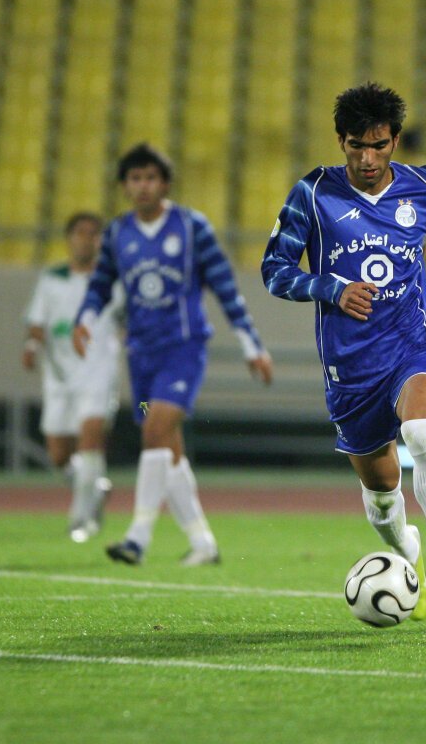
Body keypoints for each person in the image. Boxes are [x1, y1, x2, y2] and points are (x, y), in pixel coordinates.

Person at [262, 82, 426, 619]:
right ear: (341, 140)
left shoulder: (422, 187)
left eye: (378, 145)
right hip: (351, 365)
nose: (367, 158)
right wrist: (331, 288)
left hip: (414, 344)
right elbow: (274, 270)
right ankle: (409, 550)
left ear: (395, 141)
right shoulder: (313, 193)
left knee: (423, 430)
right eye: (356, 145)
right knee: (383, 496)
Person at [74, 143, 273, 567]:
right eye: (135, 178)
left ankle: (137, 537)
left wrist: (251, 345)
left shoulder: (191, 227)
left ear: (165, 184)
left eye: (151, 177)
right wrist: (84, 320)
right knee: (168, 446)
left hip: (183, 350)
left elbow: (225, 287)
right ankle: (203, 542)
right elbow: (100, 285)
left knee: (155, 431)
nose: (143, 186)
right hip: (141, 355)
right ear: (125, 186)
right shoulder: (118, 234)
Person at [23, 211, 122, 542]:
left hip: (99, 372)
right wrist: (32, 346)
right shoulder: (51, 279)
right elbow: (37, 322)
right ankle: (96, 487)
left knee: (91, 440)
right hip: (59, 376)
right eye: (80, 232)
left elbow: (129, 319)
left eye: (94, 234)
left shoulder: (112, 281)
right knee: (59, 454)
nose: (87, 239)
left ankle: (81, 518)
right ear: (69, 239)